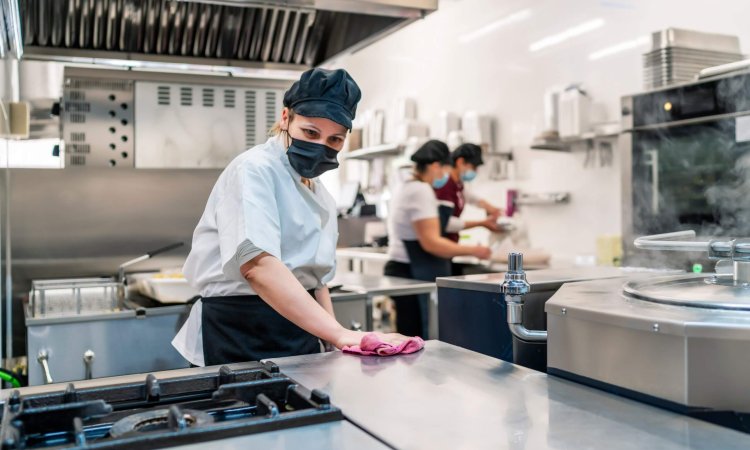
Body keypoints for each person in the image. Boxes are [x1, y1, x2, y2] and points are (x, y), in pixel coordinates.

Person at [172, 68, 410, 367]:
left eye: (334, 140)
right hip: (239, 329)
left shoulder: (320, 193)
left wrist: (332, 344)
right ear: (286, 118)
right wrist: (337, 333)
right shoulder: (255, 169)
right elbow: (257, 266)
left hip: (301, 330)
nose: (321, 146)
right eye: (310, 132)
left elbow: (316, 280)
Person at [384, 140, 492, 338]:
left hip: (402, 268)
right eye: (444, 170)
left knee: (409, 335)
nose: (444, 176)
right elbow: (432, 242)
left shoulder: (407, 185)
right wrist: (474, 250)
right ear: (436, 166)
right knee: (418, 337)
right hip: (412, 270)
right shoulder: (421, 190)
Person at [435, 143, 503, 275]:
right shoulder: (445, 184)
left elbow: (470, 197)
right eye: (474, 167)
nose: (475, 172)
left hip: (448, 251)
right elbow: (445, 224)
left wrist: (491, 208)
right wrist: (482, 223)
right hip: (440, 250)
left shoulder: (457, 183)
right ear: (460, 162)